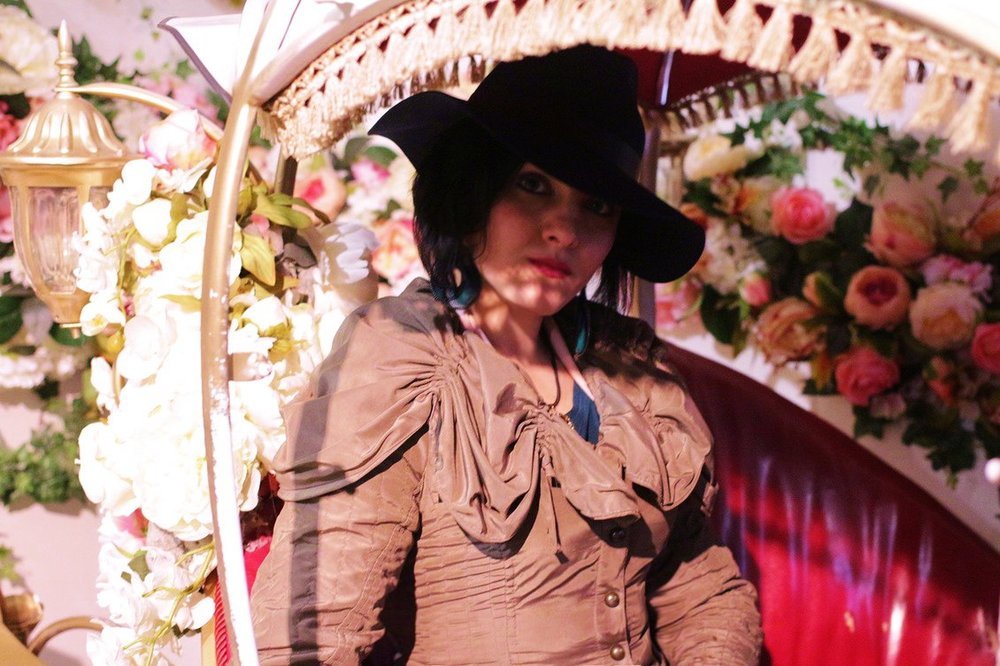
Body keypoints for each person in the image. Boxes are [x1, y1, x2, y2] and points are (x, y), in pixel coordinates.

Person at [251, 44, 762, 665]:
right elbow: (312, 629)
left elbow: (699, 590)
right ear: (471, 195)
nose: (564, 230)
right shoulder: (402, 358)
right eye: (533, 184)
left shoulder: (631, 370)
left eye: (597, 205)